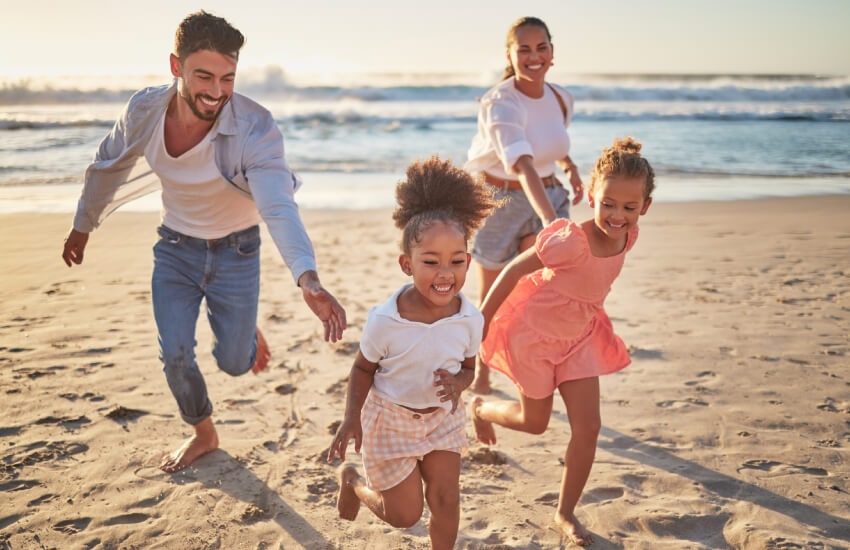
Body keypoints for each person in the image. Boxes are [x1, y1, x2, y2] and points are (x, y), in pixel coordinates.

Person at [60, 11, 346, 473]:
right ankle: (203, 431)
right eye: (204, 76)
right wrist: (82, 224)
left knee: (235, 363)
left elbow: (278, 205)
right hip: (175, 248)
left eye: (228, 78)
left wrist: (307, 278)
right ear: (176, 67)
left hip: (237, 251)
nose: (216, 91)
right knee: (174, 352)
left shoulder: (256, 127)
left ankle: (242, 328)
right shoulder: (145, 111)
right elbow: (107, 164)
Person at [470, 137, 654, 546]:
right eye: (607, 204)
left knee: (588, 427)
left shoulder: (628, 237)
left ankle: (564, 513)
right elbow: (513, 271)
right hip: (533, 339)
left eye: (629, 207)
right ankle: (481, 407)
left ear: (645, 207)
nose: (617, 216)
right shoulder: (569, 238)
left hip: (579, 339)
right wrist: (481, 321)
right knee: (534, 423)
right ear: (591, 196)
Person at [327, 157, 499, 550]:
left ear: (468, 262)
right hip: (390, 420)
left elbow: (470, 367)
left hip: (442, 419)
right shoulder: (386, 320)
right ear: (407, 264)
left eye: (456, 261)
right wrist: (351, 418)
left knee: (446, 500)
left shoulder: (470, 319)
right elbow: (362, 369)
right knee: (405, 515)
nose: (445, 273)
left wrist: (459, 383)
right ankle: (353, 482)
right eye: (431, 262)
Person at [465, 16, 585, 394]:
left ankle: (534, 367)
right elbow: (522, 163)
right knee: (495, 296)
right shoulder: (499, 102)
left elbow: (551, 144)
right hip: (501, 202)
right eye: (524, 49)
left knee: (545, 289)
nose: (534, 57)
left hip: (548, 194)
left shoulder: (561, 97)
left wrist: (570, 167)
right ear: (510, 55)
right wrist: (551, 224)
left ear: (552, 52)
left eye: (541, 47)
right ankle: (481, 370)